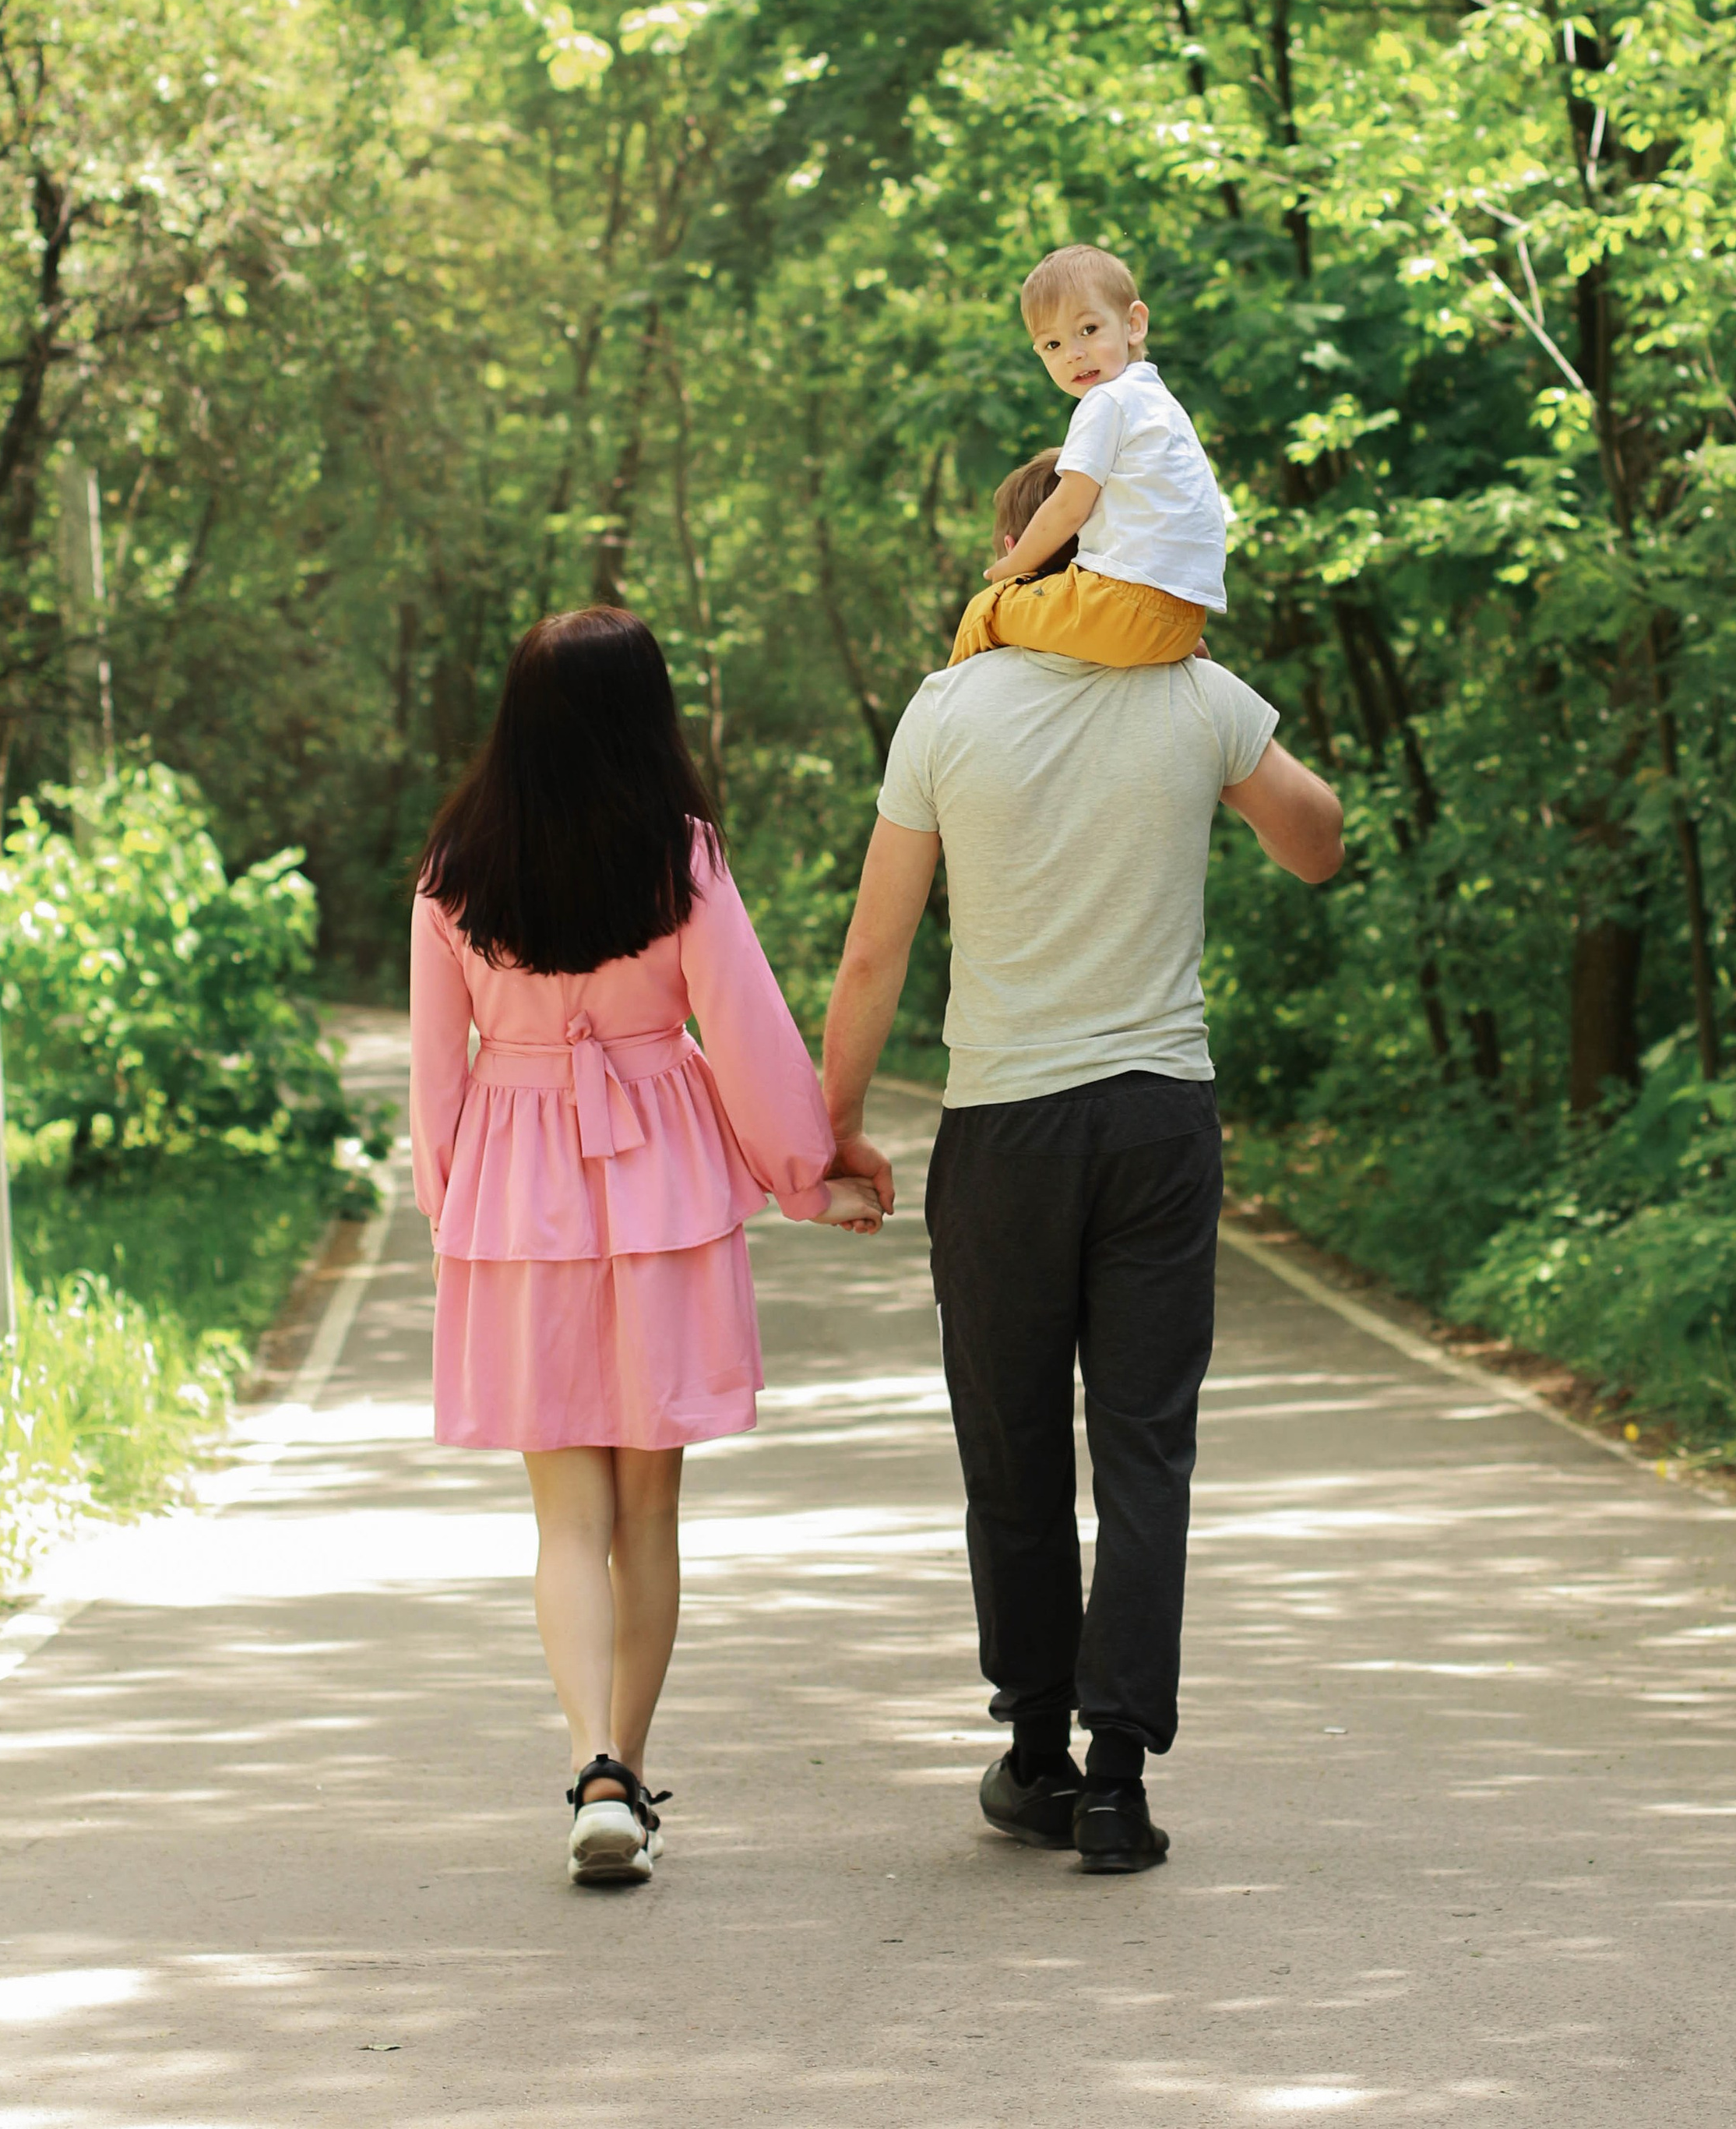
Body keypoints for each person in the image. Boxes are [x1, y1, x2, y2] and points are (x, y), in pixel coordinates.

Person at [824, 452, 1343, 1875]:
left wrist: (836, 1124)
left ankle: (1035, 1749)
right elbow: (1318, 844)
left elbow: (878, 947)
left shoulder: (953, 706)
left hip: (1004, 1131)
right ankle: (1118, 1780)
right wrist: (1222, 726)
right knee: (1145, 1449)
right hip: (1160, 1122)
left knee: (1012, 1449)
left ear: (1013, 548)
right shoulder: (1197, 695)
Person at [409, 606, 892, 1886]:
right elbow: (743, 1027)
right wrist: (810, 1173)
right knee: (649, 1505)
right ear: (644, 715)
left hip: (518, 1191)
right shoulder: (678, 854)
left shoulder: (456, 864)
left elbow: (433, 1077)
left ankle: (591, 1767)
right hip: (661, 1182)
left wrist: (456, 1212)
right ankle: (625, 1764)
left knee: (563, 1515)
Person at [949, 241, 1227, 671]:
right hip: (1185, 618)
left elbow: (1068, 506)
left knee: (985, 610)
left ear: (1134, 323)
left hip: (1124, 604)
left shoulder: (1107, 401)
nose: (1073, 353)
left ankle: (955, 709)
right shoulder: (1160, 404)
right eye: (1053, 345)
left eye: (1088, 331)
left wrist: (1012, 566)